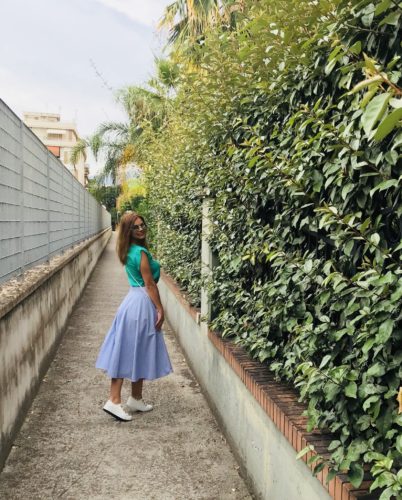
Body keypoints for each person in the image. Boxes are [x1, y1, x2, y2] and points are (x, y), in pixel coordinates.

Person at [96, 212, 173, 421]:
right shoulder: (140, 252)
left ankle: (136, 398)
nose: (141, 229)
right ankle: (114, 400)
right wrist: (160, 308)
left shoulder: (128, 249)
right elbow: (150, 284)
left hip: (132, 301)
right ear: (128, 231)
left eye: (142, 225)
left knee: (137, 348)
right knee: (127, 350)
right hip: (141, 304)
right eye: (135, 227)